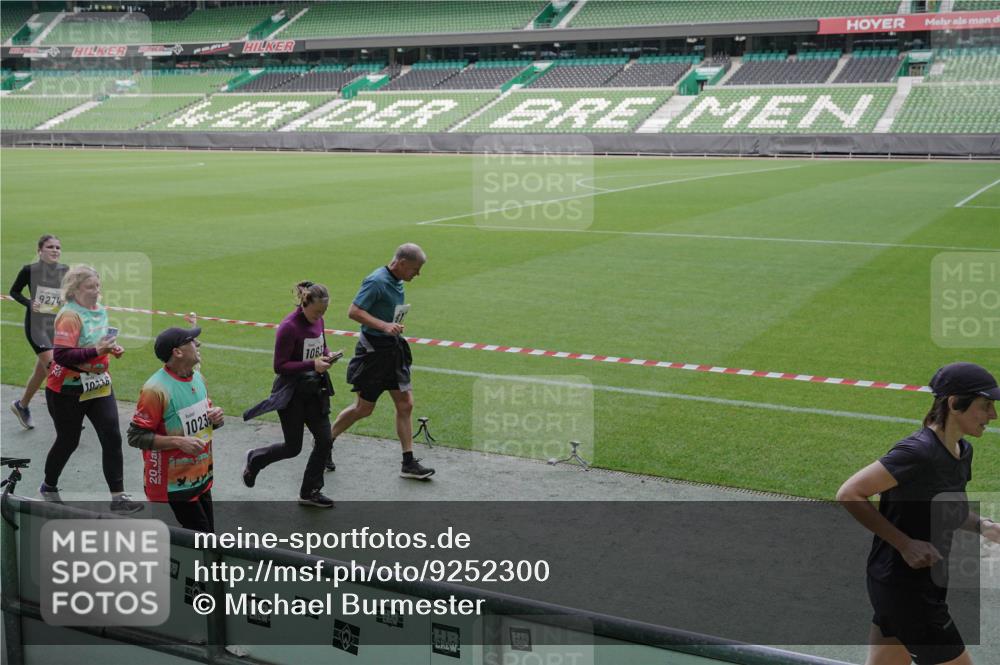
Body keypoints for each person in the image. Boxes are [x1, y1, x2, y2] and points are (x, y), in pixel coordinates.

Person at [837, 362, 1000, 665]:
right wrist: (904, 543)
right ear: (954, 404)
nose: (993, 415)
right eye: (985, 406)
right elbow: (849, 493)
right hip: (905, 588)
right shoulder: (918, 452)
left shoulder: (962, 452)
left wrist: (985, 527)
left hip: (921, 583)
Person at [329, 243, 435, 480]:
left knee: (405, 404)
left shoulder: (396, 280)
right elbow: (354, 311)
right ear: (402, 263)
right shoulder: (376, 281)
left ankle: (408, 463)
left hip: (391, 350)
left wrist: (392, 324)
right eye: (415, 269)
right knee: (363, 409)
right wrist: (385, 325)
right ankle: (326, 443)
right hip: (373, 353)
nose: (417, 274)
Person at [41, 265, 142, 513]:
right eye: (90, 287)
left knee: (112, 436)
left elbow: (99, 341)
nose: (96, 291)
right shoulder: (69, 315)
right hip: (66, 389)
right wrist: (97, 351)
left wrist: (111, 348)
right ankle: (49, 485)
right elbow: (62, 355)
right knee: (68, 440)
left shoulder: (99, 310)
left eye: (98, 286)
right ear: (74, 290)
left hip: (98, 384)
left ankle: (118, 497)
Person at [242, 282, 341, 508]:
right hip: (292, 395)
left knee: (325, 440)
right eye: (317, 312)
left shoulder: (318, 321)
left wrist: (328, 355)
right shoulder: (289, 327)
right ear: (305, 304)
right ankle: (255, 459)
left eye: (324, 312)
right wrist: (311, 364)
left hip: (315, 391)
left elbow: (321, 346)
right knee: (292, 447)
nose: (320, 317)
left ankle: (310, 491)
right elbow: (280, 366)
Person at [127, 327, 224, 533]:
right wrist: (179, 442)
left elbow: (202, 421)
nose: (198, 345)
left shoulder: (198, 378)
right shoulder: (155, 389)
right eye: (191, 341)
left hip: (201, 475)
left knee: (208, 535)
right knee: (202, 535)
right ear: (177, 352)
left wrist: (215, 417)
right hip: (175, 482)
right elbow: (136, 436)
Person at [9, 234, 69, 429]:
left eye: (58, 247)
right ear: (40, 251)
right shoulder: (29, 270)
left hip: (55, 325)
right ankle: (65, 416)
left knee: (41, 372)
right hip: (36, 326)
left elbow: (69, 294)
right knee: (55, 369)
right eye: (50, 247)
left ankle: (22, 405)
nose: (54, 250)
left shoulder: (64, 271)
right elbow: (14, 291)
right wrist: (29, 303)